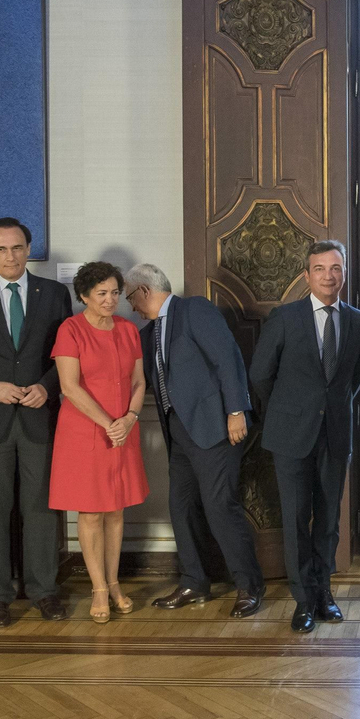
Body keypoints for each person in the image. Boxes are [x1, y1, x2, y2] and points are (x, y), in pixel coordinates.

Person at [126, 263, 266, 617]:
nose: (131, 306)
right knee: (181, 507)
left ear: (143, 290)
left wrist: (236, 409)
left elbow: (227, 357)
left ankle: (249, 585)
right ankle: (194, 581)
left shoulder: (194, 309)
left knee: (220, 507)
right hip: (179, 436)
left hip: (214, 428)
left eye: (130, 297)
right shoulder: (149, 332)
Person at [0, 217, 74, 628]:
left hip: (40, 418)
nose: (11, 256)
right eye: (1, 249)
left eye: (18, 247)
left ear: (29, 249)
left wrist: (48, 386)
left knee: (41, 511)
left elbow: (68, 354)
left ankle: (45, 591)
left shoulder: (55, 293)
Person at [250, 241, 360, 633]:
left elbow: (358, 378)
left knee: (330, 521)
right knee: (297, 518)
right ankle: (303, 600)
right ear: (306, 276)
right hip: (290, 435)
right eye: (319, 269)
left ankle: (324, 593)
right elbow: (259, 374)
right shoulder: (285, 318)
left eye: (335, 268)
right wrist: (289, 410)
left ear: (344, 273)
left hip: (335, 435)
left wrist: (330, 409)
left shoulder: (357, 321)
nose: (328, 276)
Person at [48, 262, 149, 623]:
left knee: (117, 509)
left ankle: (114, 581)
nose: (110, 300)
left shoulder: (128, 329)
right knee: (91, 513)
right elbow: (69, 387)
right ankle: (99, 589)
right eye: (101, 293)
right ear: (83, 296)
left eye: (115, 293)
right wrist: (110, 424)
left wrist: (129, 419)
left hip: (124, 428)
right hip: (85, 431)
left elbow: (139, 381)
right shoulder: (70, 329)